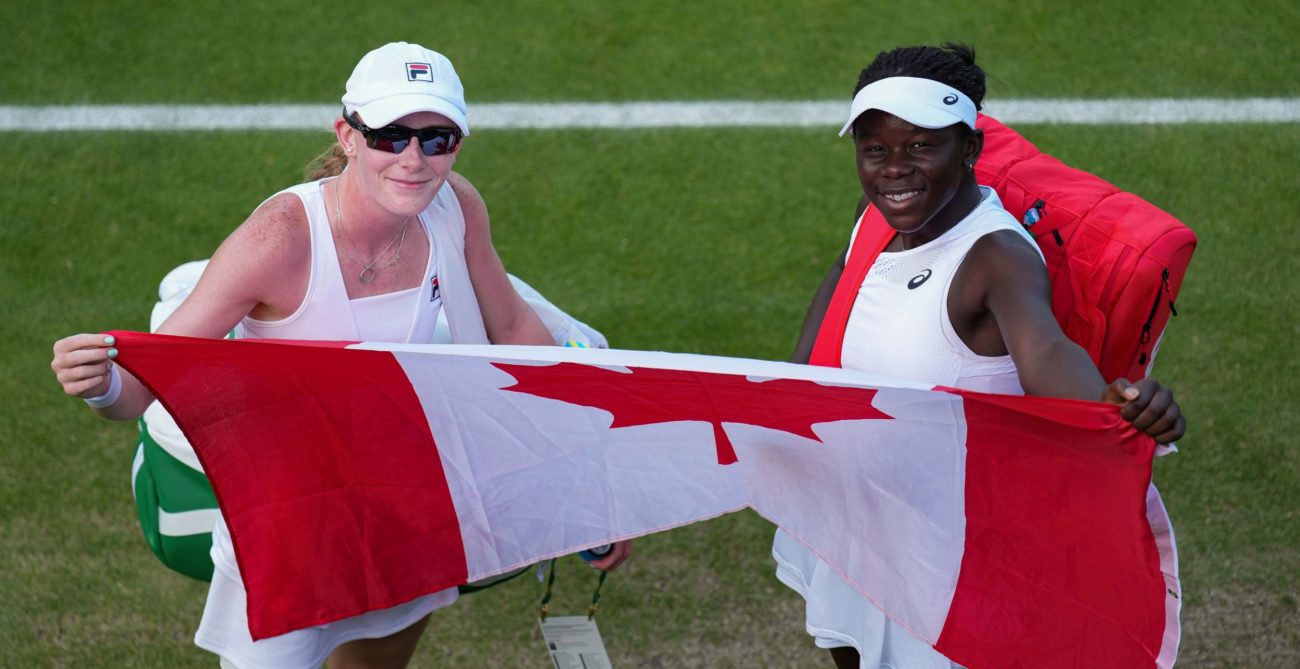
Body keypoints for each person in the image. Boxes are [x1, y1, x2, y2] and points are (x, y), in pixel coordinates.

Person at [50, 41, 629, 669]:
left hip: (403, 504)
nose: (413, 160)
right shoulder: (279, 240)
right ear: (347, 135)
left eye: (437, 138)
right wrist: (101, 386)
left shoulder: (456, 204)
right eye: (389, 135)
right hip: (290, 524)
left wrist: (583, 480)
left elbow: (515, 327)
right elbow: (141, 389)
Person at [773, 43, 1184, 669]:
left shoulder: (996, 258)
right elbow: (844, 278)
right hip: (856, 517)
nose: (894, 169)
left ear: (968, 148)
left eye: (920, 146)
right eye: (875, 148)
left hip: (946, 557)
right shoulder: (877, 215)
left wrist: (1118, 406)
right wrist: (790, 394)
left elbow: (1046, 351)